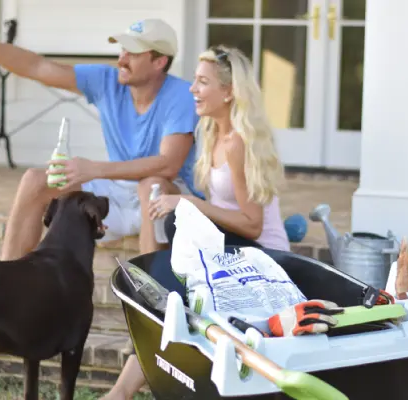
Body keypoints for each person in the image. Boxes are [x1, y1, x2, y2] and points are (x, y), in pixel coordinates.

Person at [102, 45, 290, 400]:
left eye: (203, 82)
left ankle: (120, 395)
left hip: (263, 258)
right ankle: (121, 394)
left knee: (173, 299)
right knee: (169, 299)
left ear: (229, 91)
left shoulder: (238, 143)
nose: (192, 89)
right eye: (194, 81)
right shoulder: (213, 134)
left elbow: (252, 224)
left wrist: (188, 203)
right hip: (230, 249)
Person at [0, 18, 203, 259]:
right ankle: (9, 283)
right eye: (122, 50)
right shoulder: (107, 81)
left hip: (168, 197)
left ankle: (151, 300)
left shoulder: (180, 95)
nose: (121, 59)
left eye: (133, 53)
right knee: (35, 180)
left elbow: (168, 164)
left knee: (151, 185)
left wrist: (95, 169)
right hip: (117, 191)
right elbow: (36, 66)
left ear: (159, 62)